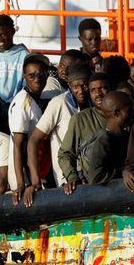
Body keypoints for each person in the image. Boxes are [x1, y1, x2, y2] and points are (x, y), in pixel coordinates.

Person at [27, 62, 91, 197]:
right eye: (75, 87)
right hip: (66, 179)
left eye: (85, 85)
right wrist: (35, 181)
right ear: (69, 85)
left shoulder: (95, 103)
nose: (80, 90)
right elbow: (34, 140)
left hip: (92, 174)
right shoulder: (59, 103)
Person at [58, 72, 111, 192]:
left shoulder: (121, 114)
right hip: (92, 186)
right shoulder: (81, 119)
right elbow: (65, 154)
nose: (98, 94)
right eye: (93, 90)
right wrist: (72, 177)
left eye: (102, 88)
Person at [7, 53, 50, 202]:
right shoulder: (22, 103)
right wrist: (21, 184)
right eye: (32, 75)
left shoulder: (36, 99)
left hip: (36, 172)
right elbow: (18, 145)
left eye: (41, 74)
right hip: (26, 178)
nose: (37, 78)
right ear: (24, 76)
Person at [79, 91, 134, 185]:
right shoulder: (104, 141)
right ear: (117, 113)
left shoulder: (126, 135)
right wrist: (122, 172)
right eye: (129, 110)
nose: (133, 112)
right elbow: (95, 177)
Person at [0, 14, 29, 103]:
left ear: (12, 31)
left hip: (15, 106)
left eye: (3, 34)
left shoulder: (24, 55)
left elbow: (26, 87)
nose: (0, 39)